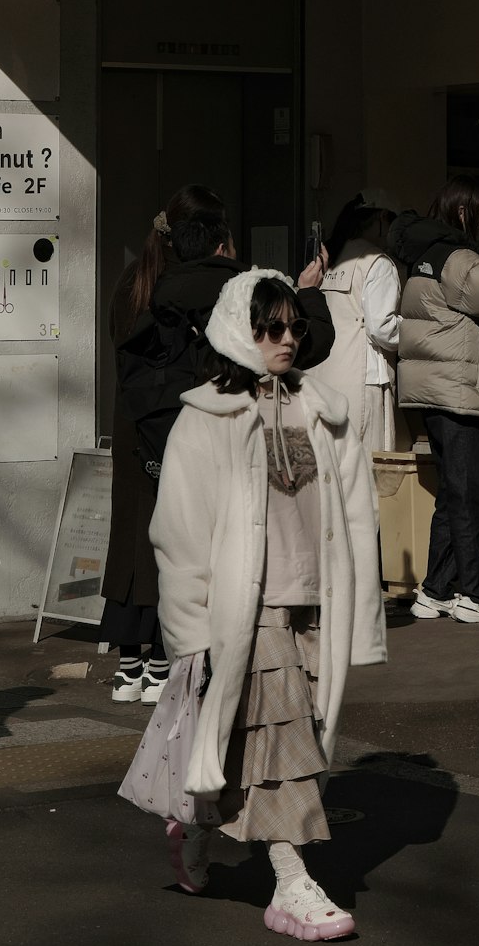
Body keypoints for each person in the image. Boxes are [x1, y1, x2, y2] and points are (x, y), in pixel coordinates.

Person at [120, 269, 386, 941]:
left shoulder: (322, 409)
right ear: (241, 328)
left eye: (295, 326)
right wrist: (190, 634)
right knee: (283, 740)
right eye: (271, 327)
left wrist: (362, 614)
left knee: (281, 746)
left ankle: (200, 828)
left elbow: (356, 518)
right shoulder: (206, 416)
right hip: (247, 609)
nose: (286, 339)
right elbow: (178, 535)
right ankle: (291, 882)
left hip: (315, 601)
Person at [103, 186, 336, 706]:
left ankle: (131, 663)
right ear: (222, 238)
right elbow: (309, 341)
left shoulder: (137, 284)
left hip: (141, 431)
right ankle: (171, 659)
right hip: (214, 423)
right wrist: (308, 290)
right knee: (210, 541)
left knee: (147, 538)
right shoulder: (238, 288)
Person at [393, 178, 479, 625]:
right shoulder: (458, 260)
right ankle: (476, 594)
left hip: (432, 389)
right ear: (466, 215)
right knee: (470, 495)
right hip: (455, 387)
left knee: (451, 493)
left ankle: (435, 589)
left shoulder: (424, 256)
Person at [308, 190, 402, 451]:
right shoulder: (378, 263)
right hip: (365, 381)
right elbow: (382, 329)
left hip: (323, 378)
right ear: (383, 218)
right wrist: (414, 330)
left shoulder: (330, 256)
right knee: (365, 473)